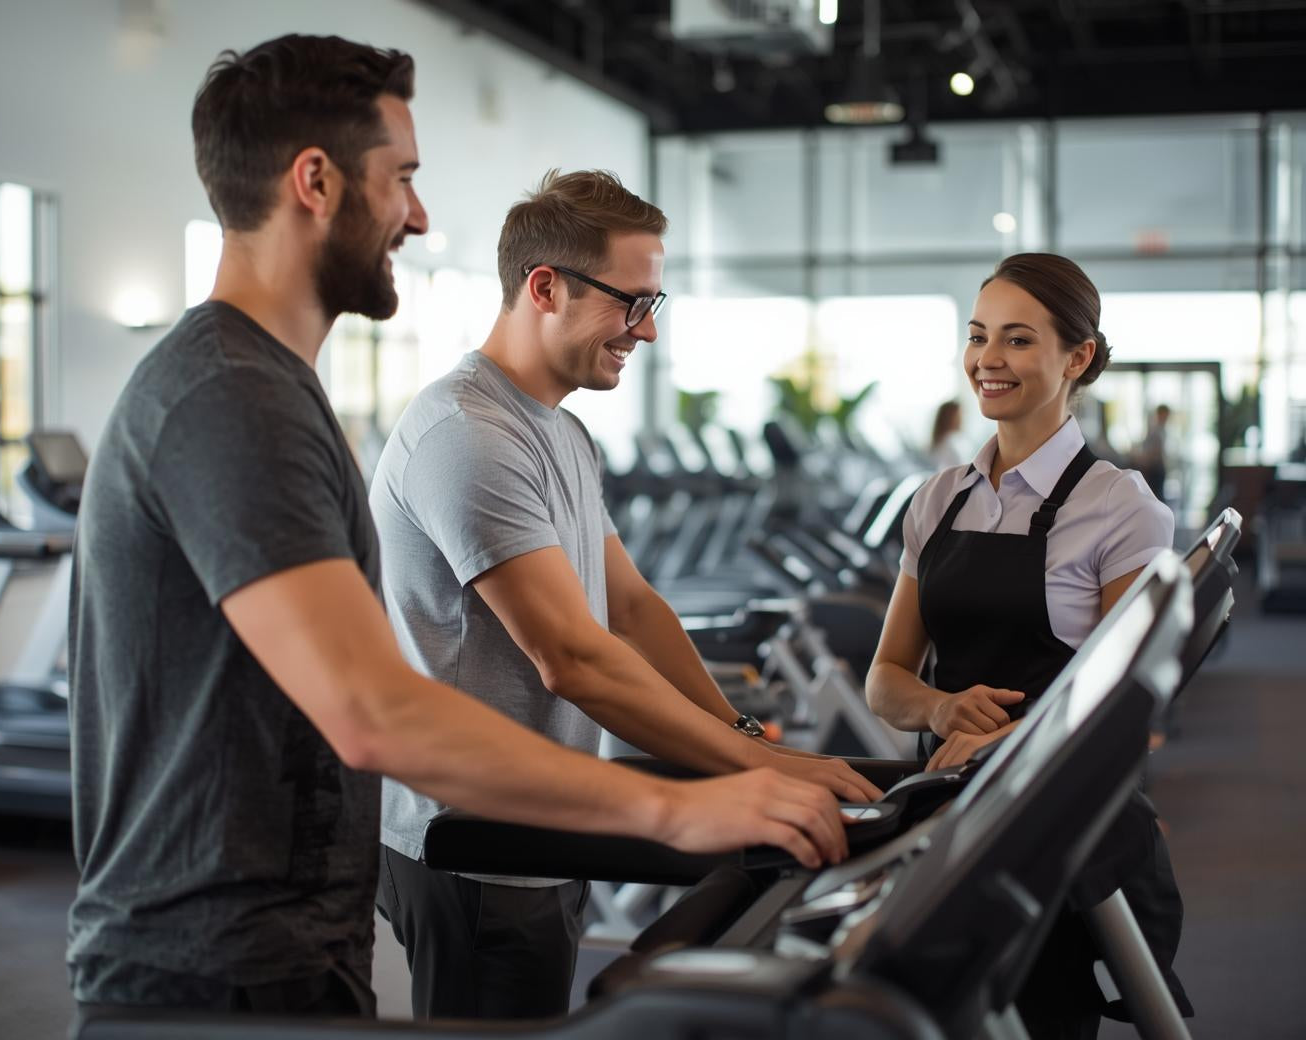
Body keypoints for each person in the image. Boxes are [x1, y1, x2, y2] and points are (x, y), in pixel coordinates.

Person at [66, 35, 853, 1026]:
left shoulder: (275, 391)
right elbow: (376, 707)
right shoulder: (234, 395)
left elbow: (625, 611)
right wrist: (681, 802)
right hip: (207, 958)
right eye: (401, 178)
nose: (421, 215)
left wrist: (738, 748)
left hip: (284, 933)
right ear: (315, 181)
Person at [369, 169, 883, 1022]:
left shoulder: (563, 432)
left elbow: (635, 611)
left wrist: (742, 737)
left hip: (547, 815)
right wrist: (761, 766)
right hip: (474, 832)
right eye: (631, 303)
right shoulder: (467, 435)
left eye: (655, 303)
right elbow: (574, 658)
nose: (646, 330)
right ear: (546, 287)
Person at [864, 253, 1186, 1038]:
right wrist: (940, 709)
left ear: (1077, 358)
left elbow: (1122, 706)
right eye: (979, 336)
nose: (988, 359)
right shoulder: (937, 499)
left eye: (1017, 339)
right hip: (947, 813)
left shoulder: (1121, 506)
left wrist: (1009, 740)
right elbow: (885, 680)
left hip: (1054, 824)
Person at [927, 399, 966, 469]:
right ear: (949, 418)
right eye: (958, 415)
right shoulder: (951, 444)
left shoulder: (940, 442)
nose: (961, 419)